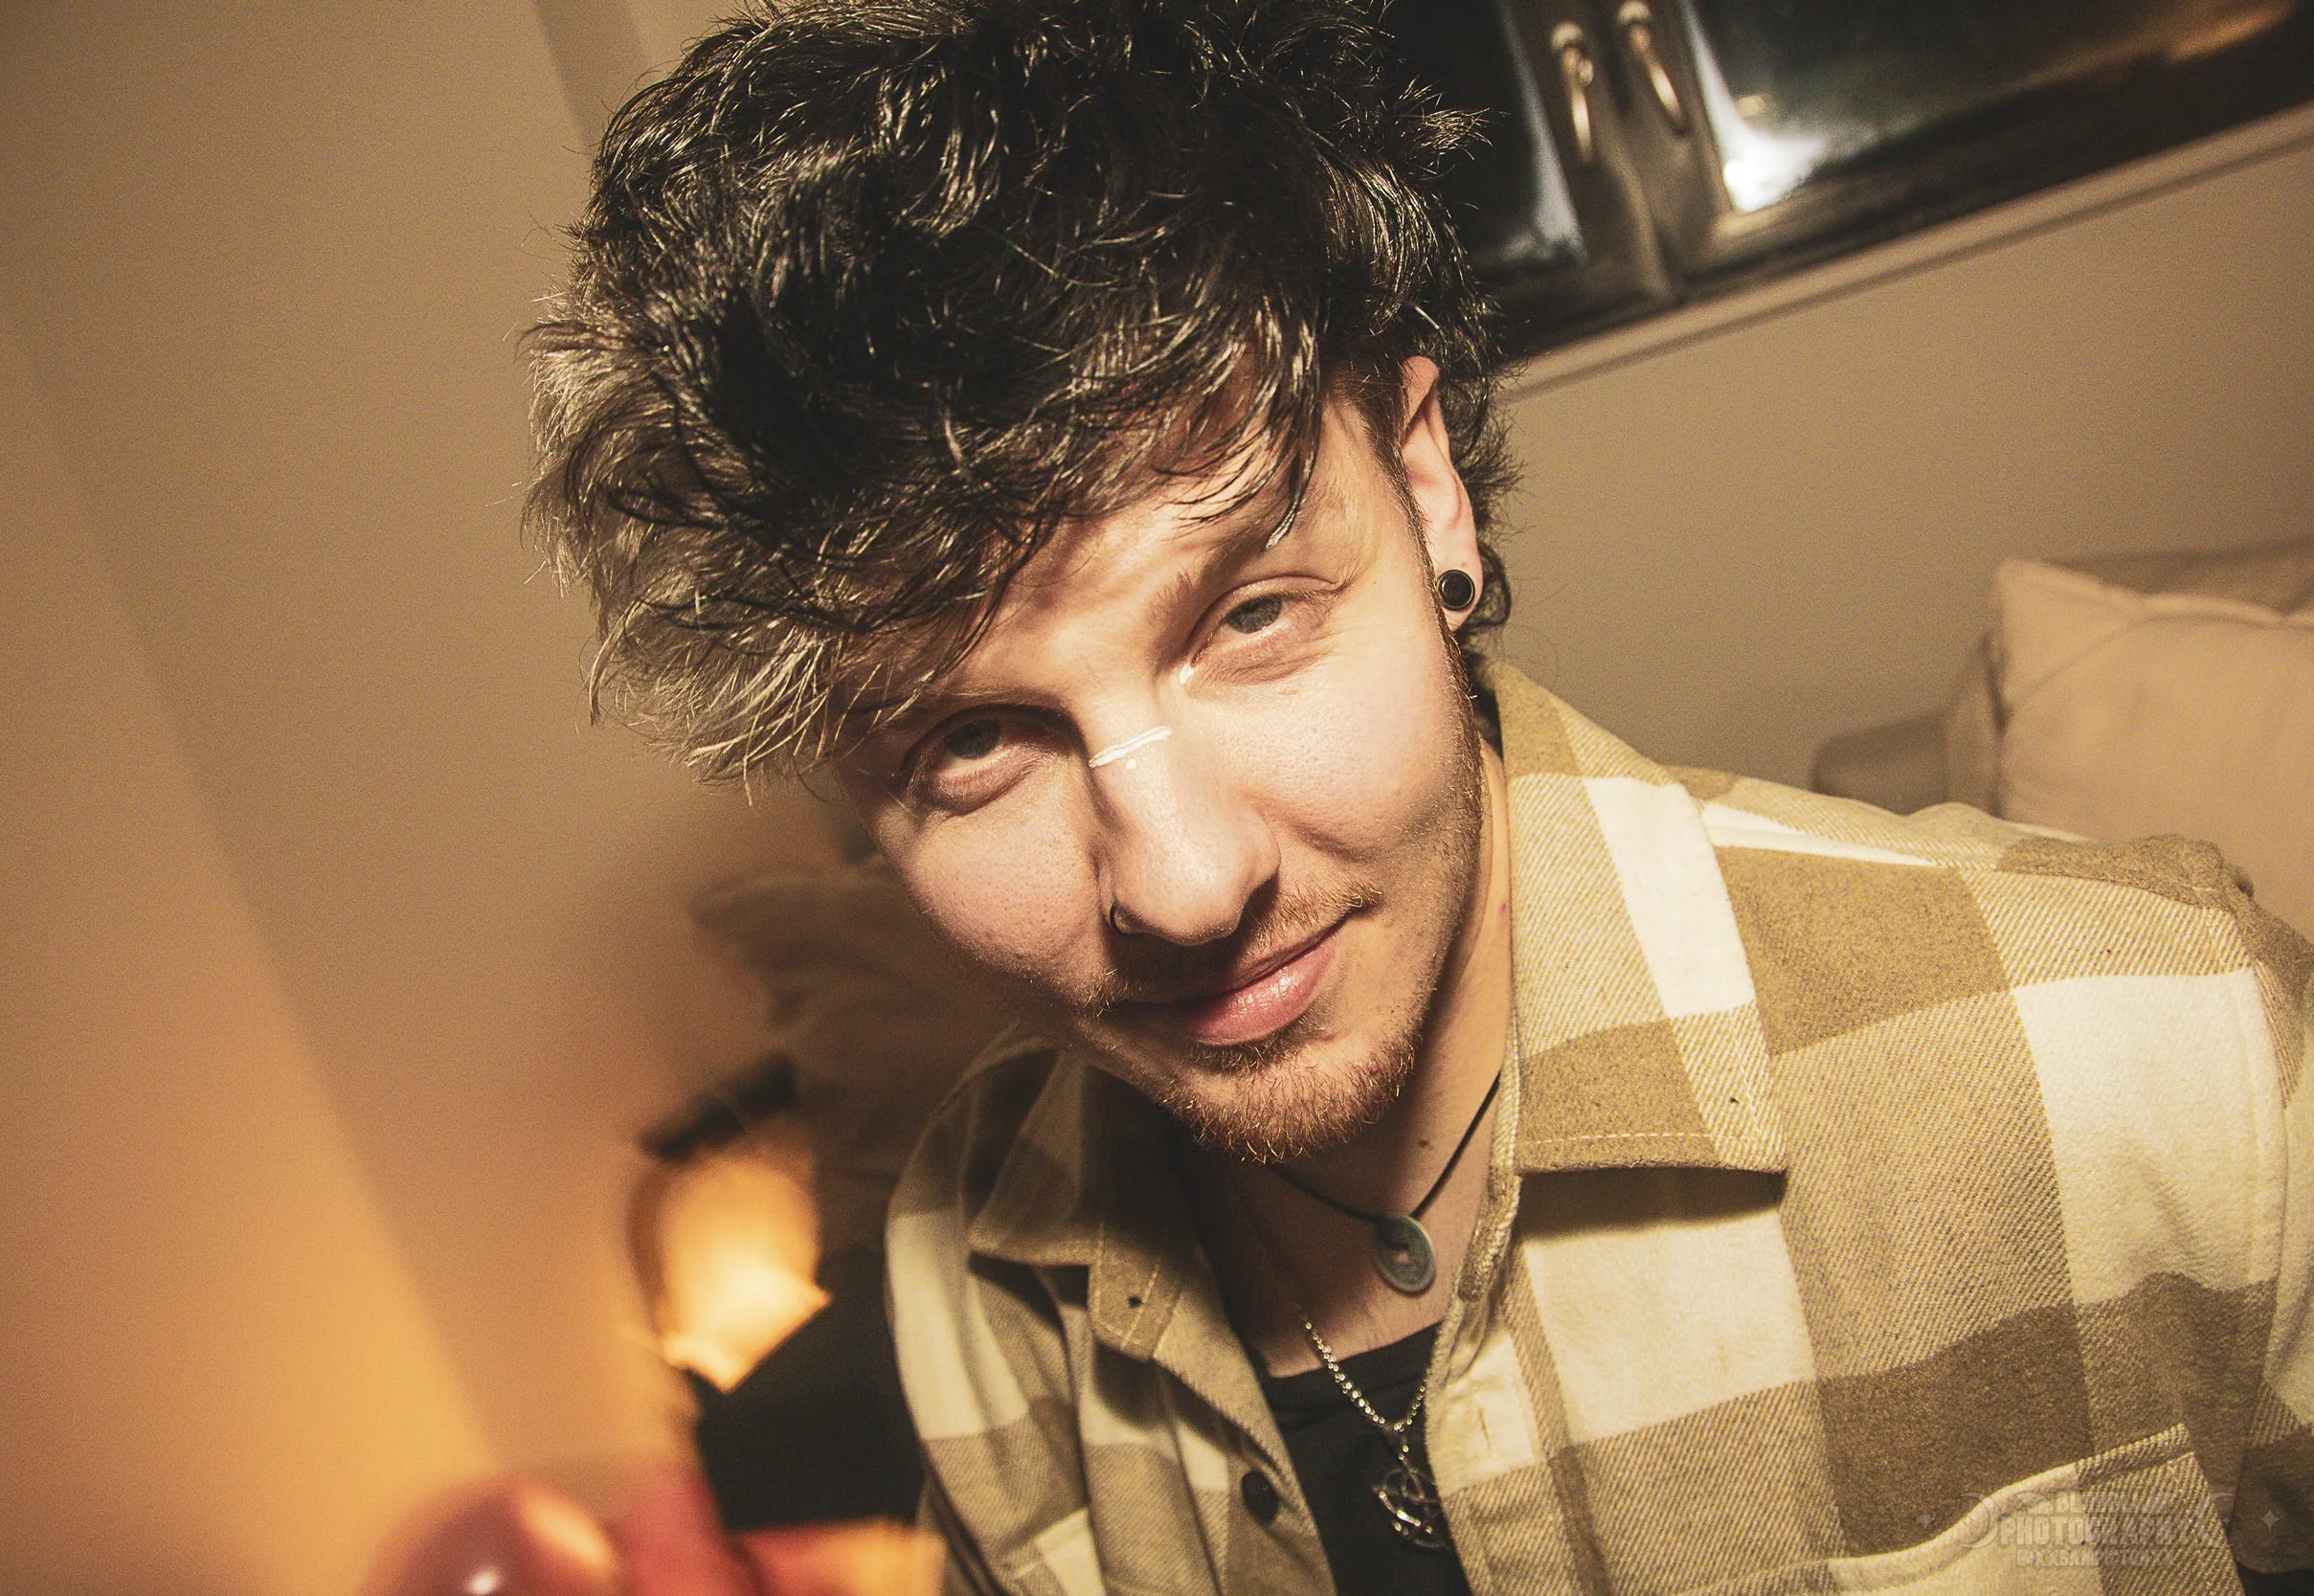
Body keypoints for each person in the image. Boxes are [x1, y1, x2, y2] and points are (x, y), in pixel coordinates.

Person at [524, 1, 2314, 1590]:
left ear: (1431, 488)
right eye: (975, 743)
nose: (1184, 878)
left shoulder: (2158, 1056)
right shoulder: (976, 1287)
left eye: (1250, 613)